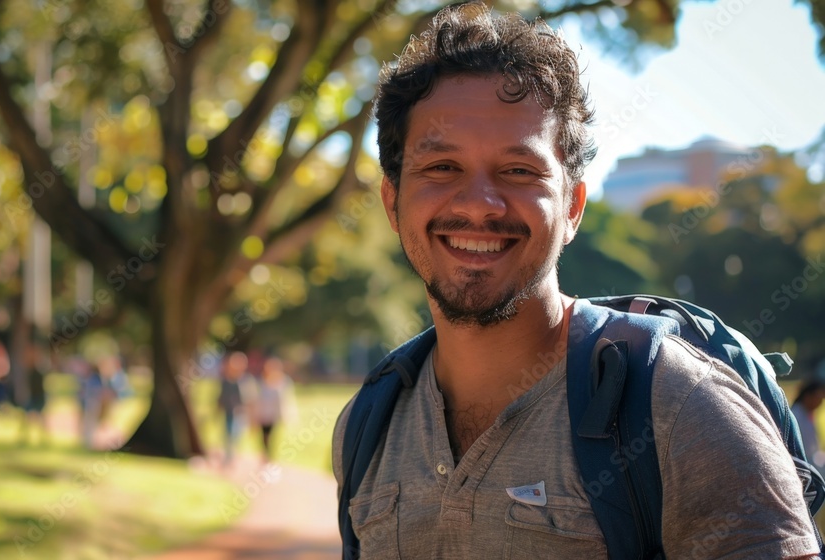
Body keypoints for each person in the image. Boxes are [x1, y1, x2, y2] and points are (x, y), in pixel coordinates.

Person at [331, 4, 818, 558]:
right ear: (393, 202)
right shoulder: (366, 426)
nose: (479, 205)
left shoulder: (683, 409)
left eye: (519, 171)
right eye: (442, 167)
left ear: (573, 208)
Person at [253, 356, 296, 463]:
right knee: (264, 436)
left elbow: (286, 400)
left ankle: (270, 456)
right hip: (263, 414)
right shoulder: (261, 382)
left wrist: (287, 415)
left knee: (272, 436)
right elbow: (257, 399)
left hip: (274, 415)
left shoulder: (283, 382)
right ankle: (265, 454)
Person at [217, 351, 256, 467]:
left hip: (240, 412)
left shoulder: (245, 380)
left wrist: (251, 414)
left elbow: (250, 399)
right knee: (228, 433)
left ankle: (233, 457)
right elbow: (221, 396)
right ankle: (229, 457)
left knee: (236, 434)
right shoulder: (225, 379)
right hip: (228, 411)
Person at [794, 380, 825, 472]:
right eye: (818, 398)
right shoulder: (797, 415)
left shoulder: (806, 414)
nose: (820, 403)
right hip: (803, 464)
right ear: (807, 396)